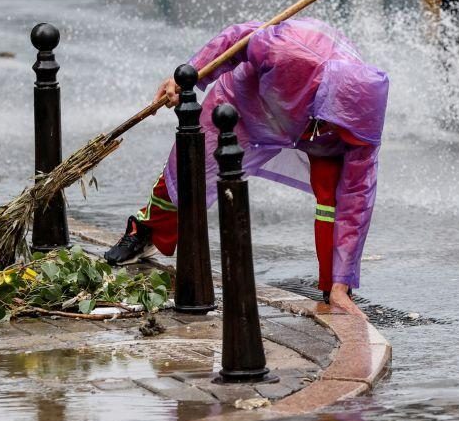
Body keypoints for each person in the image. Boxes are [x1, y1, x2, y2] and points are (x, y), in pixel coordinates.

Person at [103, 17, 389, 319]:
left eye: (349, 132)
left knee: (335, 193)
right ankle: (144, 229)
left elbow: (356, 202)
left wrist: (342, 284)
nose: (346, 134)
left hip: (316, 134)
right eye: (338, 124)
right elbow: (238, 38)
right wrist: (190, 76)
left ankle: (334, 284)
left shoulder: (360, 133)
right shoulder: (289, 51)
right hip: (248, 102)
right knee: (191, 167)